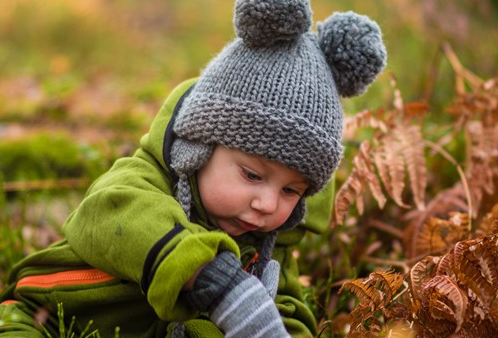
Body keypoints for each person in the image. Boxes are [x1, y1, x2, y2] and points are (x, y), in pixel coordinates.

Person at [0, 0, 386, 337]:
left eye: (291, 191)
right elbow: (108, 215)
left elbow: (286, 310)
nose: (268, 204)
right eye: (252, 175)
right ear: (197, 148)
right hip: (43, 314)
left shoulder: (269, 243)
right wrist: (209, 277)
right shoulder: (142, 182)